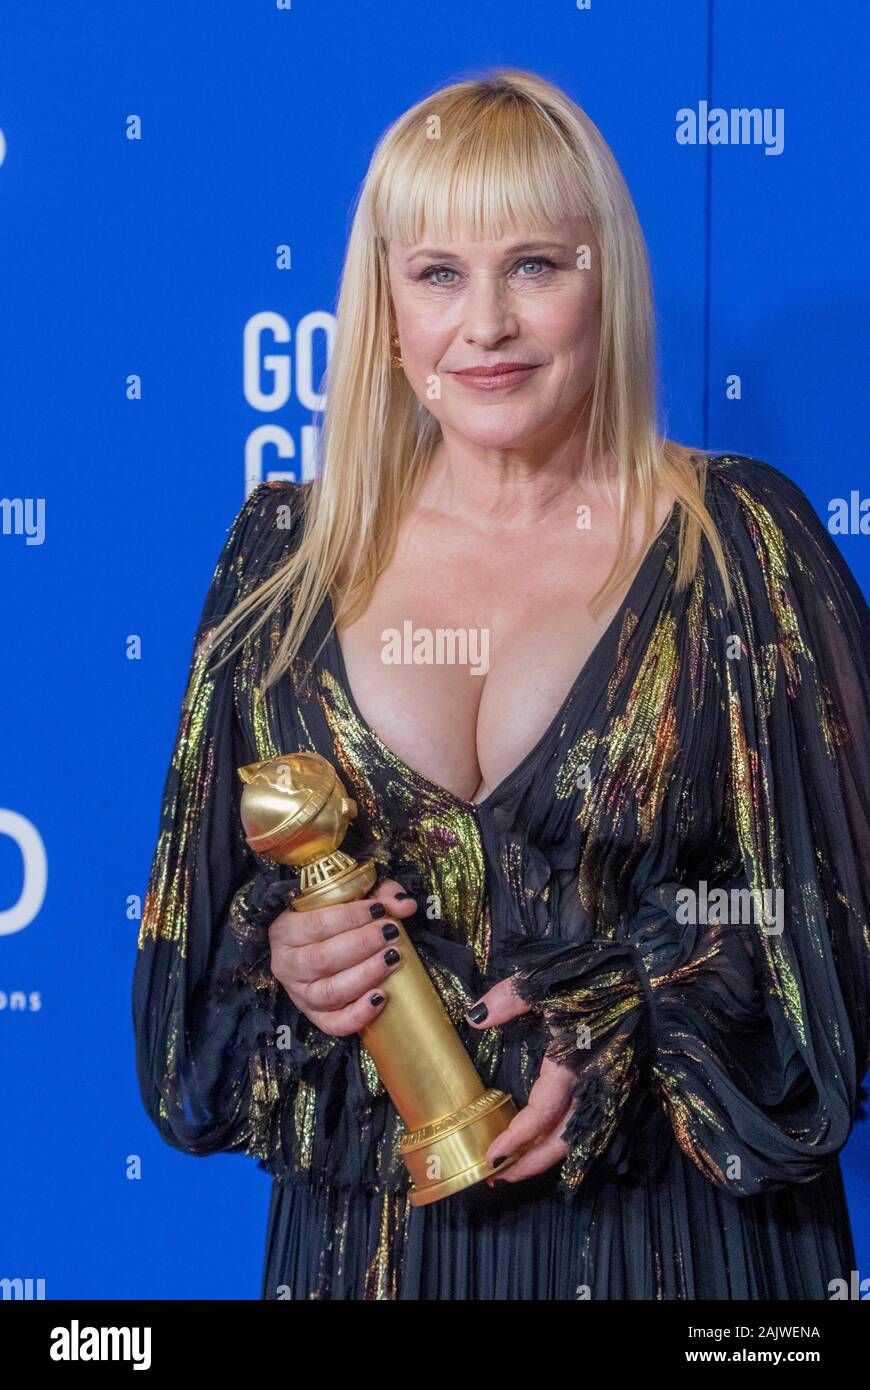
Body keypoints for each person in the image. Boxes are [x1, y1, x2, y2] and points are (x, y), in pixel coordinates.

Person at [132, 68, 870, 1300]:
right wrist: (289, 960)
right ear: (385, 306)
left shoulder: (743, 546)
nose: (486, 325)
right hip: (377, 1251)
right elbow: (186, 1010)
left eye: (535, 265)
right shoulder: (281, 561)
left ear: (607, 281)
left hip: (683, 1249)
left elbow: (835, 934)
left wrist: (631, 995)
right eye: (437, 274)